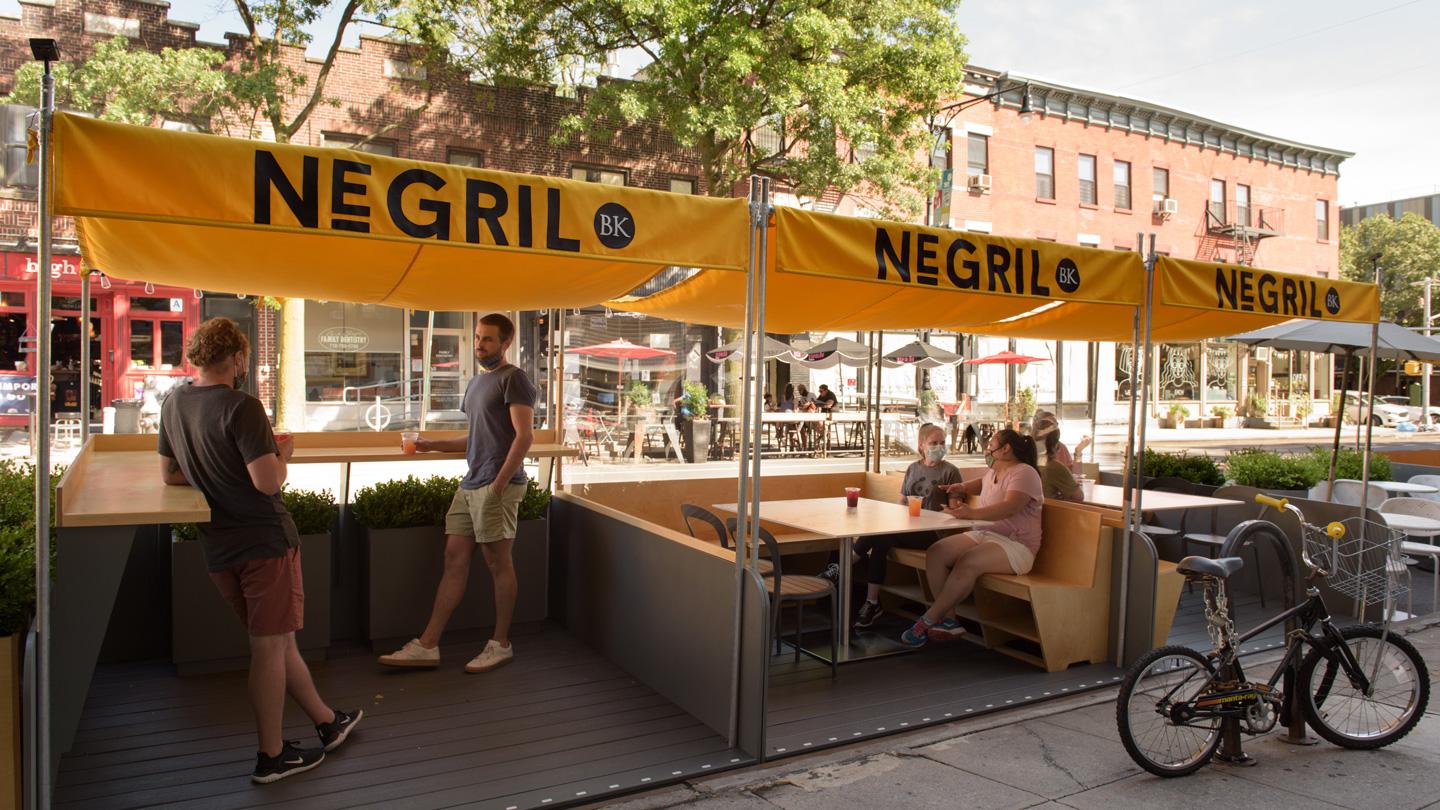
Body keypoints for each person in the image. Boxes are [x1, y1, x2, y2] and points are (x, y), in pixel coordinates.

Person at [157, 317, 361, 784]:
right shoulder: (243, 407)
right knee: (269, 648)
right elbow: (267, 482)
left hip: (219, 547)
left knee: (278, 641)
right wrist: (280, 455)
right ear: (238, 358)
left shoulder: (174, 403)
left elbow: (170, 474)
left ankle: (328, 723)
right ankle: (272, 756)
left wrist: (218, 470)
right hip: (264, 541)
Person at [379, 313, 536, 674]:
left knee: (498, 564)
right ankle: (428, 645)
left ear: (506, 343)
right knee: (453, 558)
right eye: (478, 338)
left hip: (498, 485)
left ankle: (501, 644)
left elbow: (524, 435)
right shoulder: (477, 384)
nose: (480, 345)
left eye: (489, 340)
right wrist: (429, 444)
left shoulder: (515, 380)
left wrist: (498, 483)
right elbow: (477, 437)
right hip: (470, 484)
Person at [901, 428, 1044, 647]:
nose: (987, 449)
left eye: (991, 445)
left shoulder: (1024, 472)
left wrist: (971, 513)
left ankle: (927, 620)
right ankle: (948, 620)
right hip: (985, 534)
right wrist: (961, 487)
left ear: (1005, 449)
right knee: (937, 552)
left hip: (1016, 545)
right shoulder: (995, 470)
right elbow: (982, 484)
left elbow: (1010, 507)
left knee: (968, 561)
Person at [821, 423, 960, 628]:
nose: (939, 447)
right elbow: (902, 501)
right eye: (933, 443)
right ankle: (872, 602)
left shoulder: (951, 472)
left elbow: (956, 508)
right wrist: (895, 519)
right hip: (908, 528)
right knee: (881, 539)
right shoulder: (913, 468)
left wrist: (952, 507)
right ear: (922, 445)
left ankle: (844, 568)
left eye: (942, 443)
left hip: (934, 533)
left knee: (881, 536)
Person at [1035, 417, 1082, 501]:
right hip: (1049, 512)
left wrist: (1078, 452)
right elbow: (1079, 497)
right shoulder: (1054, 467)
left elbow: (1075, 473)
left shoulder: (1025, 464)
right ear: (1056, 444)